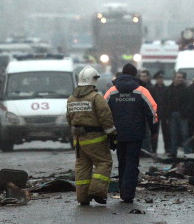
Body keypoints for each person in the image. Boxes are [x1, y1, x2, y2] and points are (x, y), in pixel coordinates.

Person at [104, 63, 158, 204]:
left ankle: (123, 190)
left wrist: (107, 131)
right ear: (135, 75)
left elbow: (103, 112)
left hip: (118, 134)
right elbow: (152, 112)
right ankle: (128, 194)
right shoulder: (141, 91)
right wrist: (154, 130)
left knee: (122, 162)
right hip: (135, 134)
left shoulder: (111, 91)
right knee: (132, 163)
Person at [66, 66, 117, 206]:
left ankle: (82, 198)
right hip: (95, 138)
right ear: (93, 80)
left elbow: (69, 119)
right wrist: (113, 135)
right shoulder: (96, 98)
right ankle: (96, 191)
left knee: (82, 167)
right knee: (104, 163)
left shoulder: (71, 99)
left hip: (78, 140)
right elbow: (106, 118)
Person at [164, 71, 191, 158]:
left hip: (182, 114)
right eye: (178, 77)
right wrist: (167, 115)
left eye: (181, 77)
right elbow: (166, 103)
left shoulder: (185, 89)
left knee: (185, 134)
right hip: (172, 114)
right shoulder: (169, 89)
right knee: (173, 134)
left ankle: (187, 152)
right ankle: (173, 152)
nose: (180, 79)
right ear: (174, 78)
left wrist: (185, 112)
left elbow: (188, 103)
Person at [139, 69, 157, 154]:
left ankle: (147, 149)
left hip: (148, 113)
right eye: (141, 76)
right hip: (140, 114)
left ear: (148, 77)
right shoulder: (138, 88)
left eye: (144, 76)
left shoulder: (151, 88)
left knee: (148, 133)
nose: (143, 78)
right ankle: (142, 149)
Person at [151, 71, 168, 154]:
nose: (160, 80)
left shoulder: (167, 89)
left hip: (164, 113)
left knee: (166, 132)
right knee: (155, 132)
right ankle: (154, 149)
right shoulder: (153, 89)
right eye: (158, 78)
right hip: (155, 113)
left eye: (161, 78)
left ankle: (167, 149)